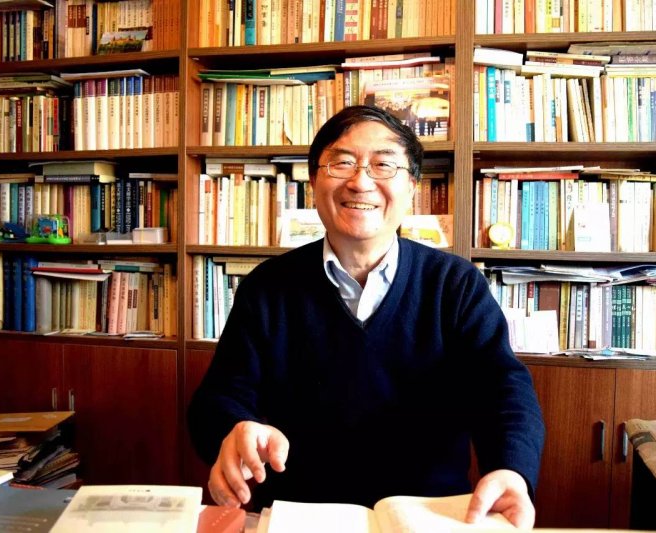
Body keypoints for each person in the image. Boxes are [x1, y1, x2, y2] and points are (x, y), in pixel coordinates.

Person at [187, 105, 545, 528]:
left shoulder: (455, 284)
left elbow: (501, 387)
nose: (360, 181)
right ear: (314, 182)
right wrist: (233, 429)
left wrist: (511, 468)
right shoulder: (268, 286)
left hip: (427, 515)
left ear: (412, 187)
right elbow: (221, 395)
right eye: (342, 163)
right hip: (298, 516)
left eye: (383, 164)